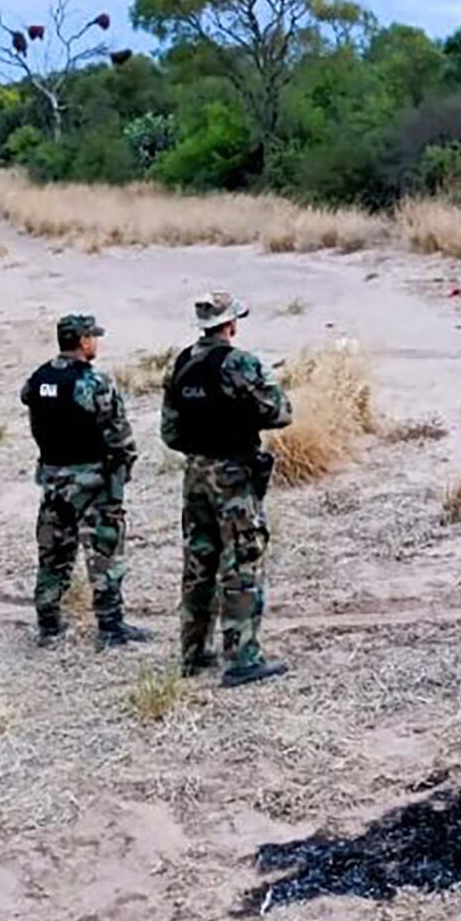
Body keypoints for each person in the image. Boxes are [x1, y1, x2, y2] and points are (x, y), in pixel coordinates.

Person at [160, 291, 293, 687]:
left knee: (199, 562)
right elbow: (281, 413)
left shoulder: (181, 363)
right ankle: (242, 658)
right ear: (230, 324)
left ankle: (193, 652)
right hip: (234, 475)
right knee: (242, 561)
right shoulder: (241, 364)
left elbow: (170, 432)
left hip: (196, 475)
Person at [21, 313, 149, 649]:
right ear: (83, 341)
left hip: (52, 480)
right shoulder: (93, 382)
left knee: (53, 554)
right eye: (93, 336)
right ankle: (110, 627)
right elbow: (120, 438)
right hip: (92, 481)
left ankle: (48, 625)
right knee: (104, 554)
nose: (96, 342)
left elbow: (32, 405)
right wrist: (122, 470)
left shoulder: (38, 378)